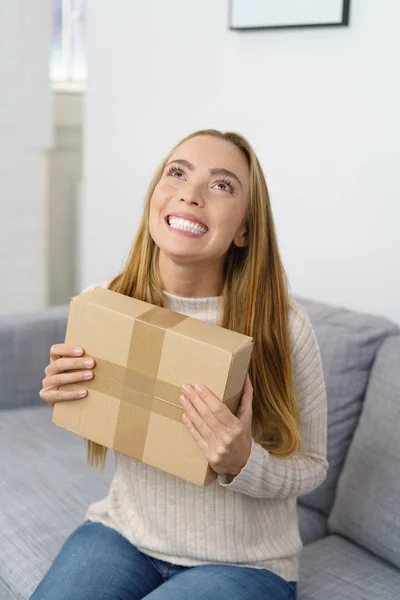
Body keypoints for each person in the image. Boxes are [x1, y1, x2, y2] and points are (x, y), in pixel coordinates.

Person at [32, 129, 328, 600]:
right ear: (156, 195)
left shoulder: (283, 327)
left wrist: (242, 462)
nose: (190, 195)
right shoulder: (109, 301)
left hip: (245, 565)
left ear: (245, 229)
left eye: (221, 185)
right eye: (178, 173)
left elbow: (313, 467)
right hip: (125, 536)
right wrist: (68, 392)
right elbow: (111, 417)